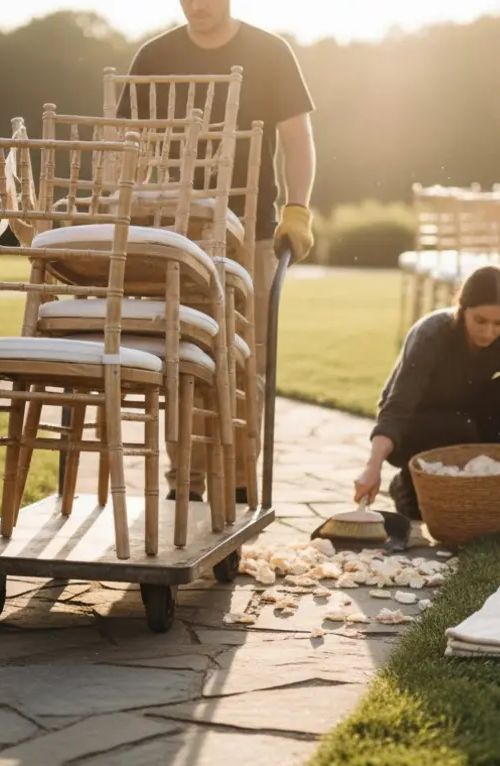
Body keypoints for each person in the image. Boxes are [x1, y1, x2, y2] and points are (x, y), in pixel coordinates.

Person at [119, 0, 318, 503]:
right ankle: (185, 483)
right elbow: (127, 145)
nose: (197, 4)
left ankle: (239, 481)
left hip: (251, 233)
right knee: (182, 355)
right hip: (177, 233)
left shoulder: (270, 52)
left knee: (246, 360)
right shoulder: (154, 57)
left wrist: (297, 209)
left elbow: (297, 139)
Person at [354, 265, 500, 519]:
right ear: (462, 307)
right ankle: (407, 481)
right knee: (423, 504)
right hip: (413, 427)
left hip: (464, 421)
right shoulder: (432, 333)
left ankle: (473, 476)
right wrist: (373, 467)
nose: (488, 332)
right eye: (479, 320)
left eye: (499, 323)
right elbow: (397, 407)